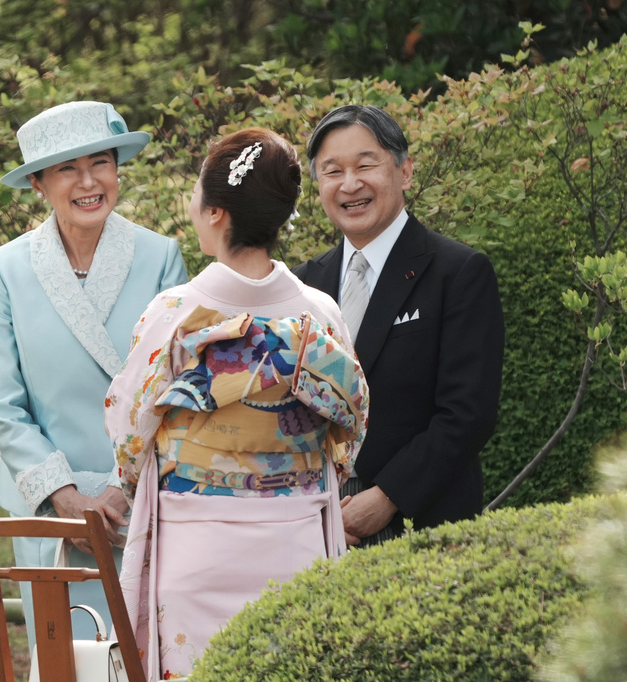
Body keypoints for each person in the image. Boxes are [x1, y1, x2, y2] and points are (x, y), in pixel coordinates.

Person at [104, 127, 369, 680]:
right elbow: (349, 429)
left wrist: (140, 477)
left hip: (195, 542)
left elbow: (130, 428)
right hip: (292, 538)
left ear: (217, 213)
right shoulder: (318, 313)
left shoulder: (175, 312)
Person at [0, 100, 188, 647]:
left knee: (144, 656)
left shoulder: (160, 256)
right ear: (39, 185)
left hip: (140, 504)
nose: (89, 182)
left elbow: (176, 387)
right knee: (65, 659)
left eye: (101, 162)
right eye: (68, 169)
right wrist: (64, 495)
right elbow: (2, 401)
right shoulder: (6, 268)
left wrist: (122, 490)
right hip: (50, 514)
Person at [293, 104, 505, 546]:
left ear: (405, 172)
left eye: (365, 165)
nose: (350, 184)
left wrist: (388, 497)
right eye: (332, 171)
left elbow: (468, 413)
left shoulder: (458, 272)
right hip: (314, 525)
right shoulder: (303, 284)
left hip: (422, 523)